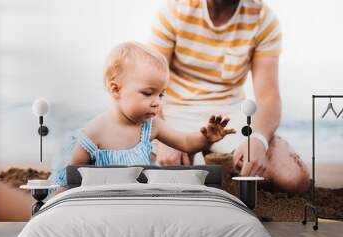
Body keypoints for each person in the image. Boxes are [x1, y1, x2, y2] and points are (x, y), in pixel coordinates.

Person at [149, 0, 310, 193]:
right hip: (174, 114)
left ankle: (215, 165)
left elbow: (268, 98)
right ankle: (207, 167)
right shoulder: (173, 11)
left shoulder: (263, 19)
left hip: (230, 116)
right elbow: (149, 87)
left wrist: (258, 139)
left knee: (292, 178)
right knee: (142, 169)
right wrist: (164, 137)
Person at [48, 41, 236, 192]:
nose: (157, 102)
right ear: (116, 89)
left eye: (161, 94)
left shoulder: (151, 126)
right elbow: (73, 180)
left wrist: (206, 138)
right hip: (100, 200)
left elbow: (186, 142)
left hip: (135, 198)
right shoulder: (94, 133)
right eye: (148, 93)